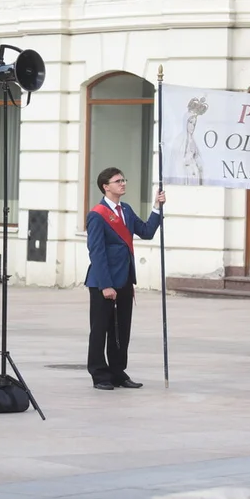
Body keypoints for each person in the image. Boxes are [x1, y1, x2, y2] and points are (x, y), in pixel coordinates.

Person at [84, 167, 165, 390]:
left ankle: (118, 372)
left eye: (124, 179)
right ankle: (100, 375)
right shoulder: (97, 215)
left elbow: (146, 232)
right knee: (101, 329)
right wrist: (106, 285)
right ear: (105, 186)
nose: (123, 183)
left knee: (122, 330)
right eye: (118, 181)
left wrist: (157, 209)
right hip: (104, 282)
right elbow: (97, 252)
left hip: (125, 279)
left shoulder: (126, 210)